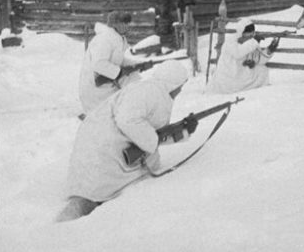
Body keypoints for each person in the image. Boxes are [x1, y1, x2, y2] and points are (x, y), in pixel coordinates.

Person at [58, 60, 191, 221]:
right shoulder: (151, 91)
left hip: (99, 144)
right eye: (181, 85)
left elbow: (153, 133)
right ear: (173, 83)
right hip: (103, 147)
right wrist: (153, 141)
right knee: (91, 195)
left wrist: (184, 131)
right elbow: (129, 121)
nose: (180, 90)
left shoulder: (153, 91)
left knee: (94, 190)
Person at [78, 11, 141, 114]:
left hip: (107, 80)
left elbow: (118, 59)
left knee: (134, 79)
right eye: (123, 23)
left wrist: (135, 65)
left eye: (127, 23)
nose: (127, 26)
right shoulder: (104, 39)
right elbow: (99, 64)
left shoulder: (119, 38)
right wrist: (119, 72)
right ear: (114, 24)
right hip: (95, 88)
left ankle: (135, 110)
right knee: (130, 84)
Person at [207, 21, 279, 94]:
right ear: (241, 33)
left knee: (262, 70)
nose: (251, 36)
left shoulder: (250, 43)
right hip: (226, 78)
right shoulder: (230, 42)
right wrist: (254, 41)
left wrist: (269, 50)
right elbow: (238, 53)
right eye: (249, 34)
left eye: (252, 33)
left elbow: (258, 59)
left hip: (241, 75)